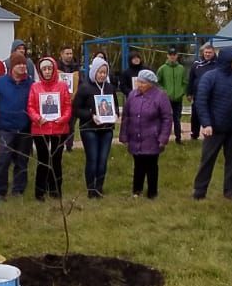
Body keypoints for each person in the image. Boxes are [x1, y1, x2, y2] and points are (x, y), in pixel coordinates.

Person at [192, 47, 232, 200]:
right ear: (228, 61)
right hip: (215, 129)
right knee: (207, 161)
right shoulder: (210, 77)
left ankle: (230, 191)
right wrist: (206, 124)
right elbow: (201, 101)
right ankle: (199, 192)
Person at [119, 68, 172, 198]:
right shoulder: (132, 95)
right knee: (138, 165)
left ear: (151, 84)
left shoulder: (160, 96)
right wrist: (124, 135)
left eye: (143, 83)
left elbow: (167, 118)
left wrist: (163, 138)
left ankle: (152, 193)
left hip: (152, 138)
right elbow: (126, 116)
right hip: (135, 136)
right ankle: (137, 190)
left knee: (152, 166)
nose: (140, 85)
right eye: (138, 82)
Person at [0, 49, 33, 200]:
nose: (22, 67)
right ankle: (0, 192)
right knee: (3, 161)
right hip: (6, 129)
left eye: (24, 64)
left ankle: (18, 190)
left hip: (25, 129)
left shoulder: (30, 84)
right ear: (12, 66)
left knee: (22, 161)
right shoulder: (0, 83)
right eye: (18, 64)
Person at [27, 56, 72, 200]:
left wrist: (63, 119)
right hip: (40, 129)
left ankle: (55, 190)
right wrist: (38, 118)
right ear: (40, 71)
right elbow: (30, 107)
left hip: (59, 129)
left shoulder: (62, 86)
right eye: (44, 69)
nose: (47, 71)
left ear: (54, 69)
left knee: (57, 160)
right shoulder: (35, 87)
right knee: (43, 161)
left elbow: (67, 106)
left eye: (49, 68)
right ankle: (40, 192)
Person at [73, 58, 118, 198]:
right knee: (93, 158)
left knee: (103, 159)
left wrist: (115, 114)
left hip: (106, 130)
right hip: (89, 129)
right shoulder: (85, 88)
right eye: (100, 72)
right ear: (94, 72)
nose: (102, 75)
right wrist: (90, 115)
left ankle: (99, 187)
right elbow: (76, 109)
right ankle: (91, 189)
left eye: (105, 72)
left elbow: (115, 105)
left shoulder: (110, 88)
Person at [156, 47, 187, 144]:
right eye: (171, 55)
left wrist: (181, 92)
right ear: (167, 56)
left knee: (177, 118)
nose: (172, 57)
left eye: (174, 55)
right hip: (166, 99)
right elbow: (157, 82)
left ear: (177, 56)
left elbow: (185, 82)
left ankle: (178, 138)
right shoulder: (162, 69)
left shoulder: (181, 68)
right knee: (165, 119)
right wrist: (163, 92)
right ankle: (163, 138)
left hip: (178, 99)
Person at [186, 43, 216, 140]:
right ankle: (194, 134)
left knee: (210, 114)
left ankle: (209, 132)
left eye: (210, 52)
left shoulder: (217, 64)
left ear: (213, 53)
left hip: (212, 95)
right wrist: (189, 93)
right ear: (203, 53)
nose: (207, 54)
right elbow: (191, 79)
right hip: (198, 94)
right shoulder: (196, 64)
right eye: (206, 52)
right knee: (195, 115)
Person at [58, 45, 80, 151]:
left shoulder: (76, 68)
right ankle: (59, 145)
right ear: (61, 54)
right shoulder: (57, 68)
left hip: (73, 100)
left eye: (71, 53)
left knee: (71, 125)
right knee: (61, 124)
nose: (69, 56)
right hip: (60, 100)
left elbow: (81, 83)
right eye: (67, 53)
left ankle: (69, 146)